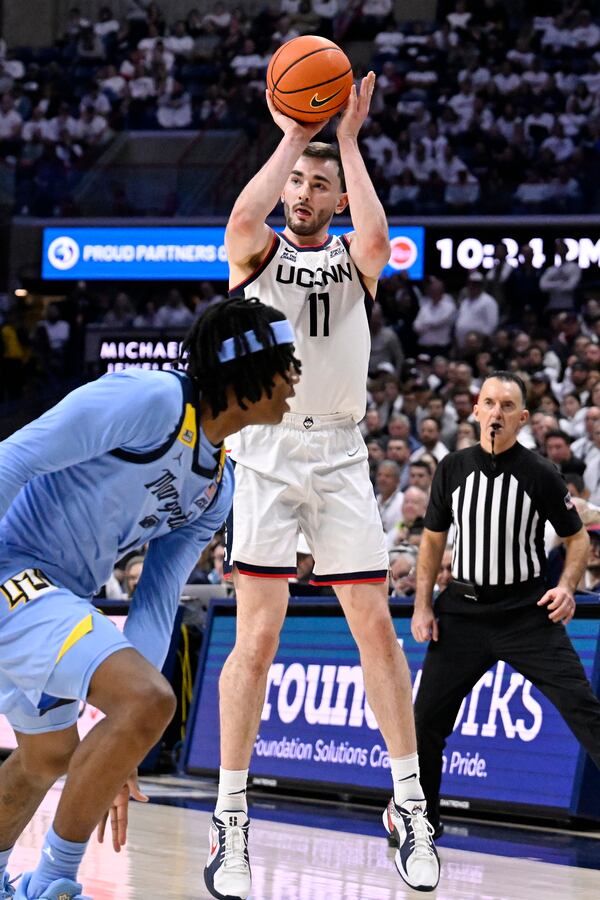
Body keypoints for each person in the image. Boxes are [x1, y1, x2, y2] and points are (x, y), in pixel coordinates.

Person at [206, 73, 439, 899]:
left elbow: (380, 236)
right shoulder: (257, 253)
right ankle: (233, 819)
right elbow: (240, 219)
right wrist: (289, 133)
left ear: (336, 199)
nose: (303, 192)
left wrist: (344, 136)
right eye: (296, 182)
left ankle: (410, 803)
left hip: (341, 457)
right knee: (256, 643)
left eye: (317, 184)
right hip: (267, 455)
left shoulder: (354, 260)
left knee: (375, 632)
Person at [0, 298, 301, 900]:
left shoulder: (217, 488)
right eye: (286, 364)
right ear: (246, 369)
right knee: (147, 700)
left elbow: (156, 601)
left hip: (63, 594)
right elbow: (15, 456)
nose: (296, 378)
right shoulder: (151, 399)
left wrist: (126, 734)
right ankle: (53, 881)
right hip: (15, 567)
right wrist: (137, 708)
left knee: (48, 757)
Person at [411, 371, 600, 839]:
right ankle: (423, 822)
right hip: (462, 612)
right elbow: (431, 544)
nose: (496, 412)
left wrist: (568, 586)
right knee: (424, 723)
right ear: (475, 411)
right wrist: (422, 605)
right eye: (489, 403)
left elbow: (577, 540)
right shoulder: (452, 468)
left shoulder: (540, 472)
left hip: (526, 613)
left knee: (583, 709)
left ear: (523, 418)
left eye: (507, 405)